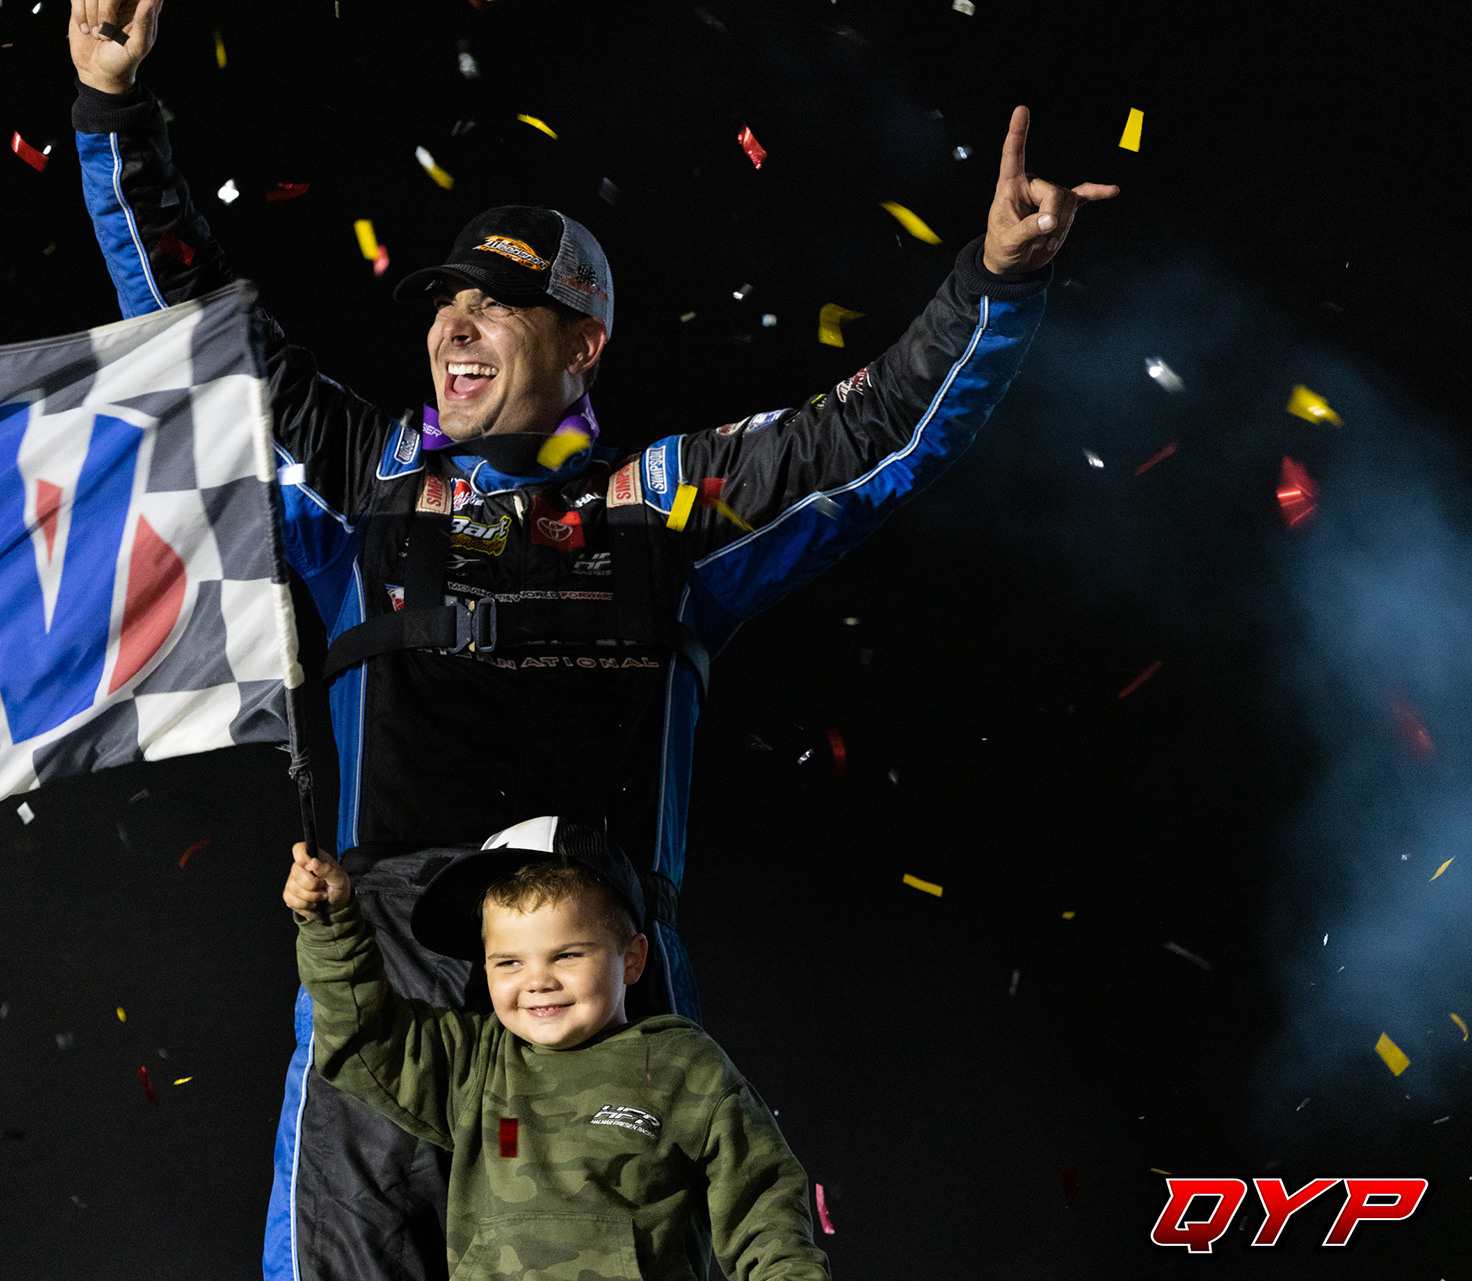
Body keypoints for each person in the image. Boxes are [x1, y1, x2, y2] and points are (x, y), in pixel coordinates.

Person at [64, 3, 1115, 1276]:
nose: (453, 326)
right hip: (385, 961)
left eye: (497, 306)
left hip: (604, 974)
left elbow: (877, 435)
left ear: (584, 343)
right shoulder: (359, 470)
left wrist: (993, 284)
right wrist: (115, 113)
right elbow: (197, 338)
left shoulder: (667, 500)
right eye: (446, 304)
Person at [282, 817, 829, 1281]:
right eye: (509, 962)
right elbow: (365, 1037)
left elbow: (765, 1204)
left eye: (566, 954)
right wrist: (331, 924)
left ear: (632, 959)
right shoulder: (475, 1062)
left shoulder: (684, 1065)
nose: (537, 981)